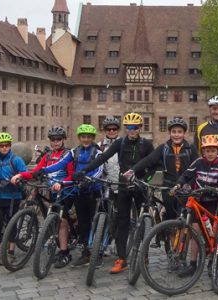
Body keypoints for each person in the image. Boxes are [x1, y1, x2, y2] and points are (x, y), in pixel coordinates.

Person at [75, 113, 154, 274]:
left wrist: (145, 180)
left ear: (140, 128)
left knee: (141, 221)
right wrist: (84, 170)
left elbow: (154, 166)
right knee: (122, 222)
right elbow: (103, 157)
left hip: (139, 186)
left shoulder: (146, 145)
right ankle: (122, 259)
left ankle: (144, 255)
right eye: (129, 127)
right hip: (123, 185)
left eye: (135, 127)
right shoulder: (120, 143)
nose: (131, 130)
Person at [34, 124, 104, 268]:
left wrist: (91, 179)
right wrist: (43, 170)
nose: (86, 139)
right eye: (83, 137)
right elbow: (60, 164)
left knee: (94, 222)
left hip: (93, 190)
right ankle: (86, 252)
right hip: (79, 190)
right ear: (79, 138)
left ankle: (97, 252)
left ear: (92, 138)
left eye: (89, 137)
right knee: (84, 222)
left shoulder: (97, 153)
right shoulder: (74, 152)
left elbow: (99, 170)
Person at [172, 134, 218, 277]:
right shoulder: (198, 162)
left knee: (212, 234)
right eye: (207, 151)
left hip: (212, 203)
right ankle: (193, 264)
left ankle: (213, 261)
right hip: (198, 201)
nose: (210, 153)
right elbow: (186, 175)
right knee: (195, 233)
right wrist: (178, 184)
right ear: (203, 151)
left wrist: (217, 192)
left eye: (213, 151)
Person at [11, 126, 73, 267]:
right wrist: (21, 175)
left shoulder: (68, 155)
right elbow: (37, 171)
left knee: (62, 221)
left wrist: (62, 184)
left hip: (65, 191)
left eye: (58, 139)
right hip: (51, 190)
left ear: (63, 140)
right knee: (51, 213)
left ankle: (64, 252)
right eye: (53, 140)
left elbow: (71, 174)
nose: (56, 142)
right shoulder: (48, 156)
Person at [124, 117, 198, 221]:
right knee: (170, 218)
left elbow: (197, 168)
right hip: (168, 188)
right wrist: (133, 170)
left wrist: (190, 184)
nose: (176, 135)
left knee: (184, 218)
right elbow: (149, 160)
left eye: (180, 132)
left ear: (184, 133)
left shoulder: (191, 148)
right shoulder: (164, 148)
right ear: (169, 133)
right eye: (174, 132)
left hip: (186, 188)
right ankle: (168, 234)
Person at [0, 132, 27, 266]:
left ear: (10, 146)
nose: (4, 148)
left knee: (11, 225)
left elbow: (25, 173)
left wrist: (18, 177)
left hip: (13, 197)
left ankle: (11, 253)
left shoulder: (16, 160)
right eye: (1, 146)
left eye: (7, 145)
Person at [98, 117, 121, 204]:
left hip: (122, 186)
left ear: (118, 130)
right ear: (104, 130)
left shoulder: (124, 144)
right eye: (108, 129)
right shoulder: (100, 146)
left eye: (114, 129)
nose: (111, 131)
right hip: (106, 186)